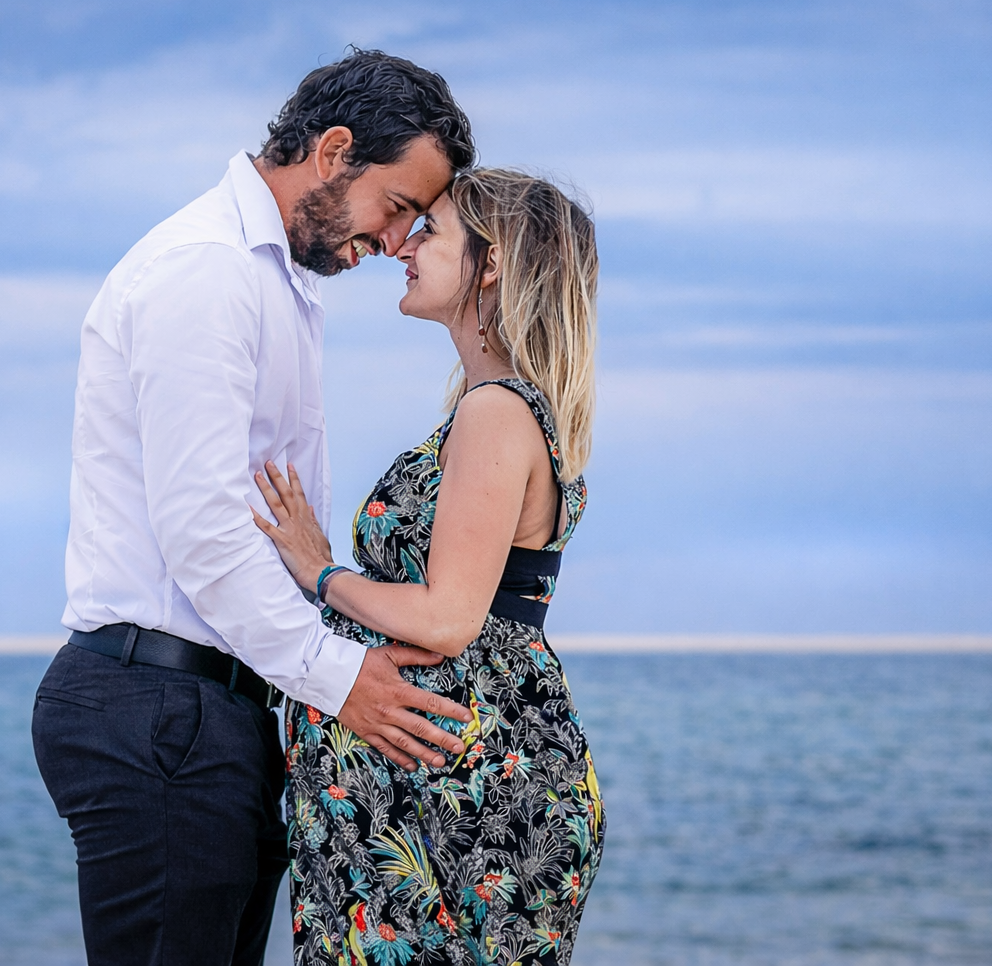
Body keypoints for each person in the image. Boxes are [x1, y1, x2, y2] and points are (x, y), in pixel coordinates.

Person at [31, 50, 481, 966]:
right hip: (160, 708)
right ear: (334, 151)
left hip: (211, 708)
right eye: (397, 205)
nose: (397, 240)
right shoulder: (207, 272)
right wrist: (340, 679)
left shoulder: (277, 281)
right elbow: (203, 532)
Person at [252, 169, 606, 965]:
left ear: (491, 263)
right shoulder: (497, 406)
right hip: (436, 780)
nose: (403, 246)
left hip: (460, 790)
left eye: (430, 230)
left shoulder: (496, 410)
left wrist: (321, 572)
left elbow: (449, 618)